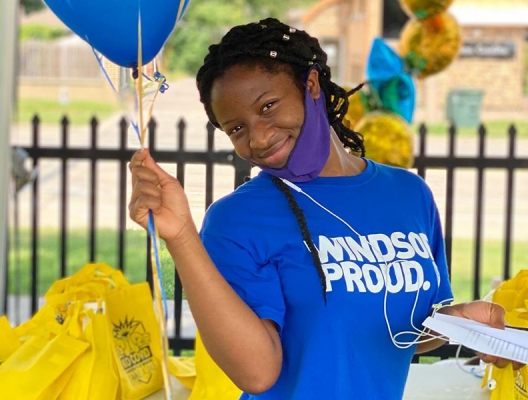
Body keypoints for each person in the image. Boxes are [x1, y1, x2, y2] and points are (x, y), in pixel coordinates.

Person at [129, 18, 518, 399]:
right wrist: (181, 237)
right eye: (236, 129)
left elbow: (406, 330)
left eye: (267, 106)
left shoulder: (409, 194)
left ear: (310, 84)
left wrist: (457, 321)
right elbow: (257, 374)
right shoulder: (238, 219)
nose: (259, 138)